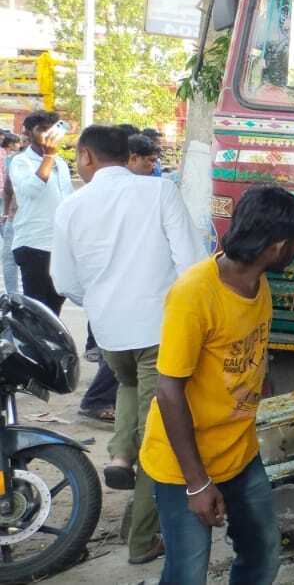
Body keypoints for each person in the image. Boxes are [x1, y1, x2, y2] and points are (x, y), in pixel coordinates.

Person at [142, 185, 294, 585]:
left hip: (239, 453)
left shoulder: (258, 283)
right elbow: (167, 391)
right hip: (184, 465)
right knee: (187, 572)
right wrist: (197, 483)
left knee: (262, 554)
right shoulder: (194, 295)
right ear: (276, 246)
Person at [51, 125, 206, 565]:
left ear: (85, 158)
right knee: (161, 433)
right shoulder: (158, 193)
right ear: (128, 154)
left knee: (130, 391)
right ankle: (142, 541)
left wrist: (103, 300)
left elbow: (64, 282)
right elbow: (192, 266)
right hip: (160, 330)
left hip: (110, 332)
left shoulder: (71, 206)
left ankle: (120, 454)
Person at [8, 110, 73, 314]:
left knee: (55, 306)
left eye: (51, 129)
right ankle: (33, 346)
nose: (47, 134)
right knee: (37, 311)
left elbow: (67, 199)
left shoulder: (61, 164)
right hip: (34, 243)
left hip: (60, 245)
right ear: (28, 133)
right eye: (42, 130)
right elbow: (31, 190)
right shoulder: (21, 162)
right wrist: (48, 156)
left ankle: (51, 347)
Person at [0, 132, 24, 297]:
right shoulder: (12, 159)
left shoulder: (13, 159)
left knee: (9, 256)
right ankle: (14, 296)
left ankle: (13, 296)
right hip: (12, 210)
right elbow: (8, 187)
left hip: (13, 211)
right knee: (9, 256)